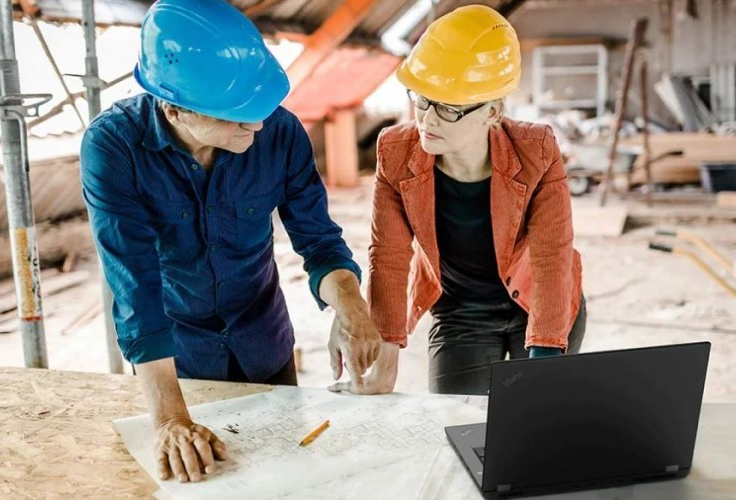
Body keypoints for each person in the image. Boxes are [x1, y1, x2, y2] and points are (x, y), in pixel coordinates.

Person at [80, 0, 381, 483]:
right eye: (237, 117)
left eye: (259, 111)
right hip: (177, 360)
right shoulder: (113, 148)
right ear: (173, 106)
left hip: (264, 340)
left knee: (287, 478)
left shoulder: (279, 132)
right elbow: (134, 287)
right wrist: (170, 418)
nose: (257, 125)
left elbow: (319, 240)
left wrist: (351, 305)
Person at [330, 5, 585, 397]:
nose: (428, 120)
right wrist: (387, 347)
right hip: (460, 312)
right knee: (453, 423)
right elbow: (390, 254)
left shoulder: (537, 149)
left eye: (449, 108)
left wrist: (545, 358)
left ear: (493, 112)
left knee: (534, 419)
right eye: (422, 99)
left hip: (536, 300)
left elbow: (552, 256)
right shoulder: (395, 152)